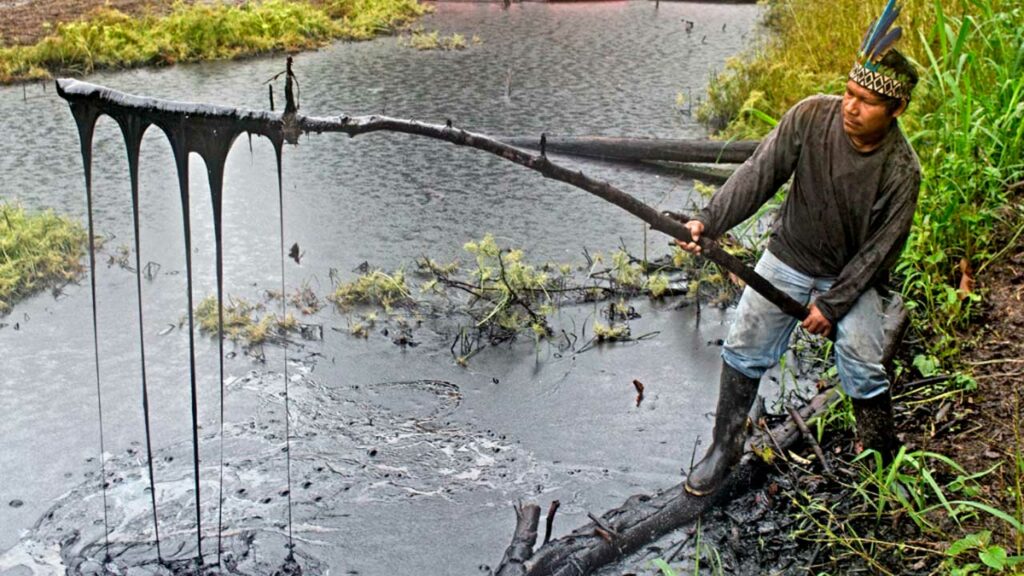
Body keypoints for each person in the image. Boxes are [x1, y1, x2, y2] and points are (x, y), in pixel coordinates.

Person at [676, 0, 921, 496]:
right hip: (789, 257)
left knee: (862, 361)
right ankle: (725, 447)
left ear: (896, 110)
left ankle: (881, 455)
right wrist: (709, 220)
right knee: (744, 345)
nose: (851, 107)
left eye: (867, 102)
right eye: (849, 93)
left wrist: (832, 305)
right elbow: (757, 175)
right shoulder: (810, 116)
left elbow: (878, 254)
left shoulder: (902, 170)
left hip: (850, 279)